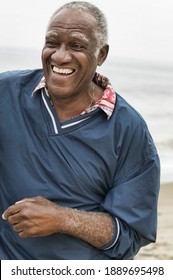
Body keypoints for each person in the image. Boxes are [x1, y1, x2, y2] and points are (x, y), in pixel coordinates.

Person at [0, 1, 160, 260]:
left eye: (77, 46)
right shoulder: (6, 93)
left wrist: (62, 219)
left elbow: (130, 235)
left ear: (101, 55)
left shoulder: (129, 130)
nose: (60, 56)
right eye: (52, 42)